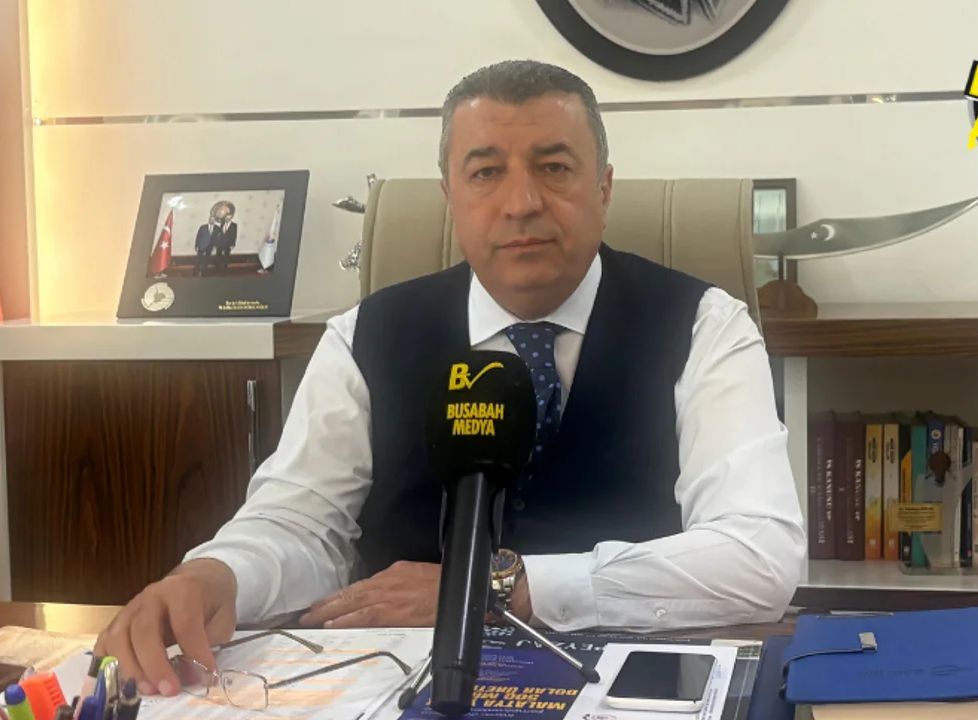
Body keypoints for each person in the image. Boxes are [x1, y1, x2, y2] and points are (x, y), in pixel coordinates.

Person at [94, 59, 806, 698]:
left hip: (627, 689)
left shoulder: (704, 326)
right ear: (450, 196)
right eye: (486, 172)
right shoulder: (366, 335)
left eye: (555, 167)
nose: (521, 201)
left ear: (604, 187)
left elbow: (759, 555)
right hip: (393, 685)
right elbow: (300, 525)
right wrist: (216, 573)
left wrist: (496, 589)